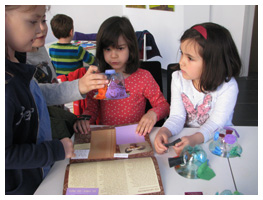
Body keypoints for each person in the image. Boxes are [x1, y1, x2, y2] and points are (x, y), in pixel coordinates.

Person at [5, 5, 108, 195]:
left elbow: (36, 94)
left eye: (43, 20)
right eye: (32, 21)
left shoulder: (21, 57)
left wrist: (79, 86)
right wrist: (54, 150)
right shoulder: (7, 85)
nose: (43, 28)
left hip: (39, 171)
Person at [154, 22, 241, 155]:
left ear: (213, 63)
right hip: (186, 139)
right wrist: (164, 131)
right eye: (182, 53)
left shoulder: (228, 87)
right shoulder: (178, 79)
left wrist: (194, 139)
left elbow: (216, 123)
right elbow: (177, 116)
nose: (181, 62)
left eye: (190, 58)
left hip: (218, 142)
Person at [73, 16, 170, 136]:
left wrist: (153, 114)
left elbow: (163, 106)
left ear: (131, 48)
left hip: (134, 137)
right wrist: (85, 119)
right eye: (108, 49)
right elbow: (92, 109)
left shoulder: (143, 77)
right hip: (107, 137)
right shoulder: (98, 78)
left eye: (120, 48)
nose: (113, 55)